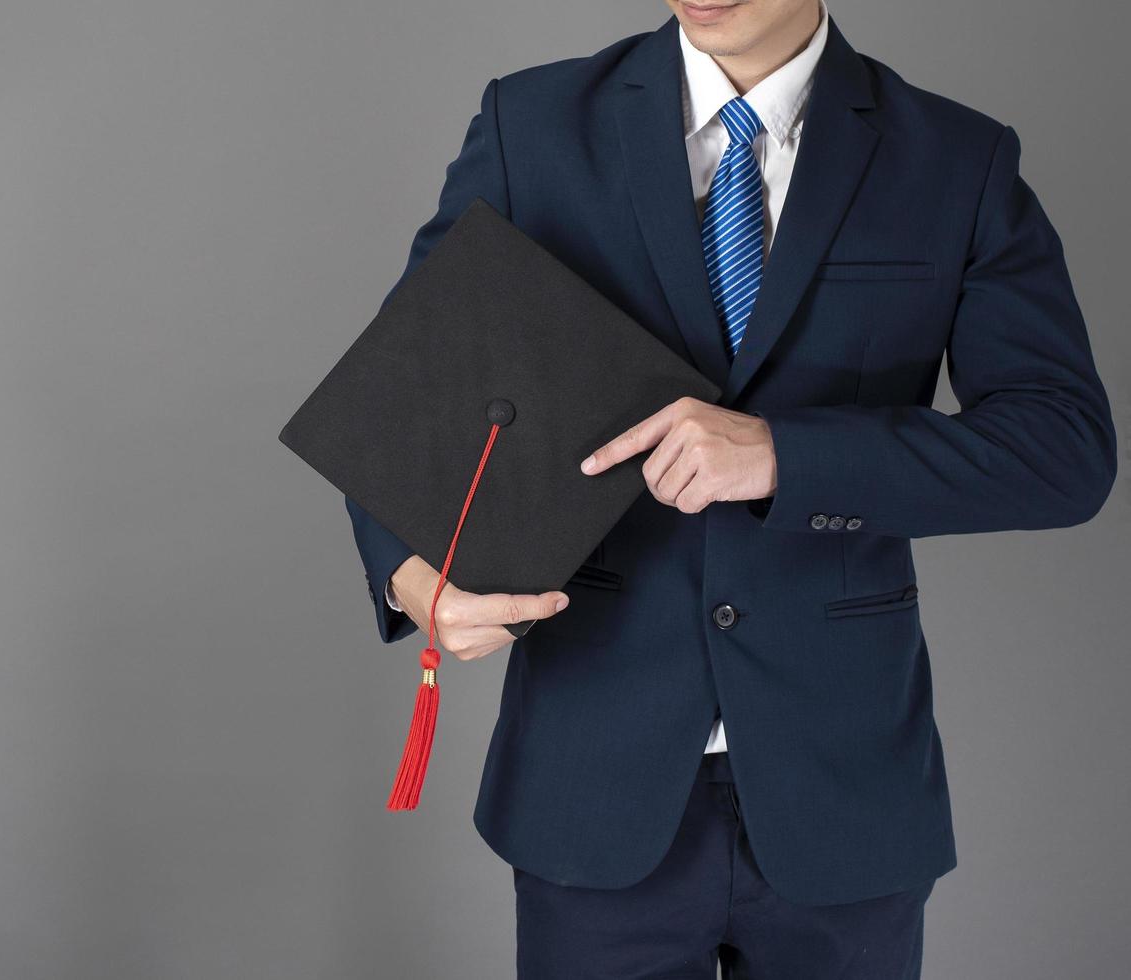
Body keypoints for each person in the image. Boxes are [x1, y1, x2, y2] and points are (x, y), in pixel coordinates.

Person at [344, 1, 1117, 975]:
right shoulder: (532, 125)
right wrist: (416, 578)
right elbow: (403, 397)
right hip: (591, 778)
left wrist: (783, 456)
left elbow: (1062, 448)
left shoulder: (954, 159)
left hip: (844, 786)